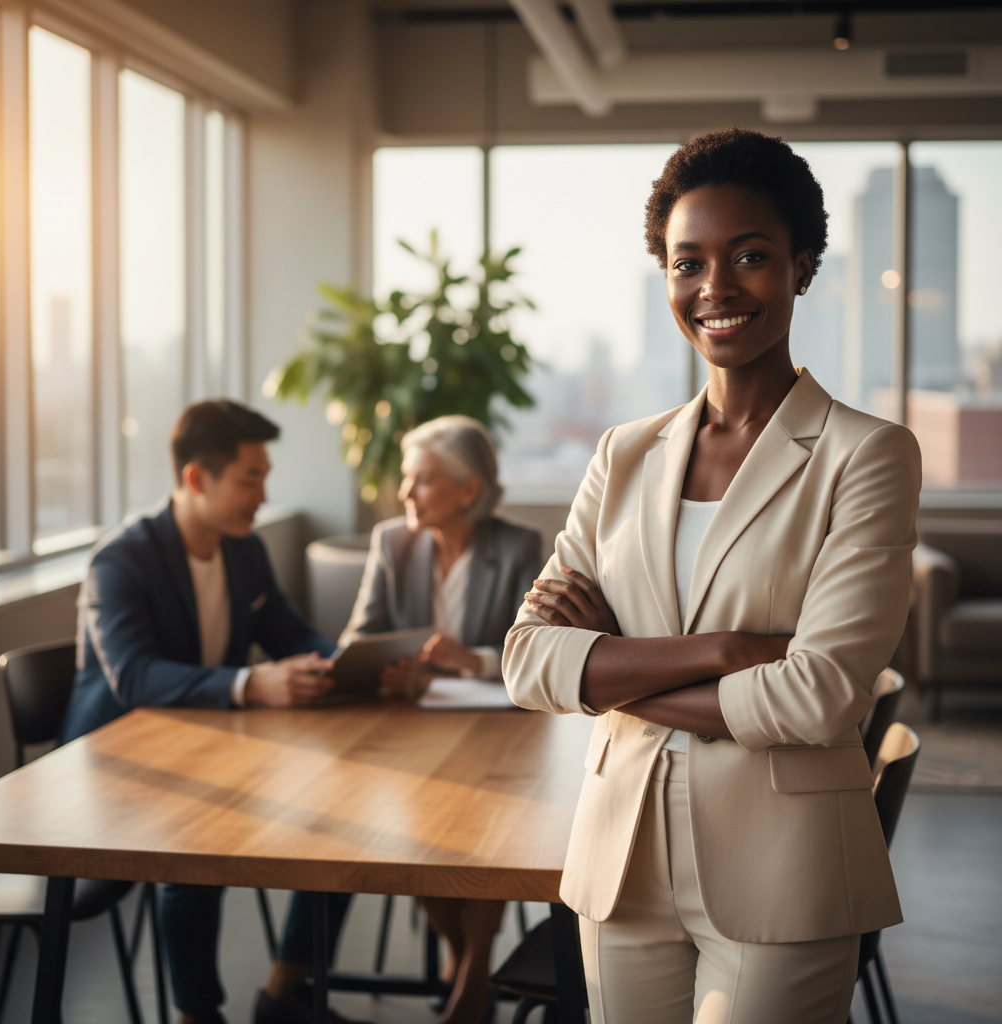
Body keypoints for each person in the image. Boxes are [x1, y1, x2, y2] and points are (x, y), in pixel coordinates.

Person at [504, 128, 921, 1024]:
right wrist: (730, 651)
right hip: (621, 857)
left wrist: (610, 670)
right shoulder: (623, 454)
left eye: (751, 257)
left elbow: (817, 697)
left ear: (801, 268)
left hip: (785, 868)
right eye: (687, 263)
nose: (715, 287)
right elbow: (529, 662)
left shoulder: (867, 455)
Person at [60, 400, 360, 1024]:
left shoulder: (243, 552)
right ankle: (198, 1015)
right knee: (194, 840)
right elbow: (133, 676)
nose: (263, 495)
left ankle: (286, 991)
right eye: (251, 479)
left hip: (214, 752)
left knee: (346, 812)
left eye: (264, 477)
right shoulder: (120, 561)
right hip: (119, 770)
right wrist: (249, 684)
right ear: (198, 478)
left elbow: (289, 633)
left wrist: (358, 666)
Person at [267, 415, 540, 1024]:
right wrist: (392, 669)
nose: (405, 492)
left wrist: (469, 661)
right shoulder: (393, 543)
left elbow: (538, 650)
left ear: (468, 490)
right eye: (407, 478)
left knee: (495, 829)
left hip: (500, 735)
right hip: (408, 737)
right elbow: (359, 640)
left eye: (423, 480)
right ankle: (468, 961)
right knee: (404, 830)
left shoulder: (517, 548)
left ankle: (471, 973)